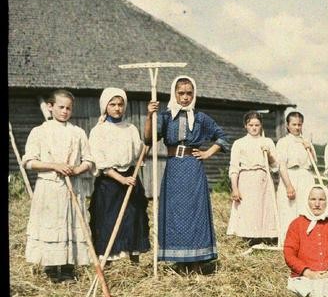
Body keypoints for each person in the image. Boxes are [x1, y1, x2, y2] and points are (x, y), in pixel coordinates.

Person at [144, 76, 229, 272]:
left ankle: (198, 260)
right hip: (174, 168)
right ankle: (180, 260)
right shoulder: (165, 116)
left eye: (189, 93)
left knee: (195, 212)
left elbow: (222, 137)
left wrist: (208, 152)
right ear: (174, 94)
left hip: (193, 168)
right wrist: (150, 116)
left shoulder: (200, 117)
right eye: (181, 93)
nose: (185, 97)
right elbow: (149, 139)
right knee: (176, 213)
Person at [22, 89, 95, 283]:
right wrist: (54, 165)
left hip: (72, 186)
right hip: (49, 188)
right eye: (61, 107)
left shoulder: (77, 132)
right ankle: (52, 268)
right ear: (50, 107)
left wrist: (78, 169)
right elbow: (29, 162)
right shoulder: (39, 132)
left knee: (71, 223)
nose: (64, 111)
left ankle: (69, 268)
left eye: (68, 108)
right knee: (52, 225)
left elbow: (89, 159)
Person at [88, 88, 150, 265]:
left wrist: (145, 146)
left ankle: (134, 261)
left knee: (133, 218)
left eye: (120, 104)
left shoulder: (130, 129)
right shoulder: (98, 131)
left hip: (130, 179)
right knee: (108, 220)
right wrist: (120, 178)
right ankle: (107, 261)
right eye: (113, 104)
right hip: (109, 182)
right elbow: (100, 161)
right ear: (105, 106)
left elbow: (139, 154)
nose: (117, 108)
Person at [226, 111, 279, 244]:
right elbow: (234, 167)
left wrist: (269, 155)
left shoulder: (267, 142)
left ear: (261, 126)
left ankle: (265, 238)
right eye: (251, 125)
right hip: (246, 179)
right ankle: (248, 239)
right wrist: (235, 188)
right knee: (248, 209)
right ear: (246, 126)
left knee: (264, 208)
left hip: (263, 178)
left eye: (257, 125)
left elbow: (275, 166)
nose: (254, 128)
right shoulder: (239, 143)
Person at [276, 111, 317, 243]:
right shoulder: (283, 142)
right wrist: (288, 186)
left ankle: (305, 241)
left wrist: (309, 148)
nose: (297, 127)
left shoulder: (306, 141)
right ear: (288, 126)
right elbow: (282, 166)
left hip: (305, 176)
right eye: (294, 124)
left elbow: (314, 162)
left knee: (304, 208)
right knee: (288, 209)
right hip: (290, 176)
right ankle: (287, 242)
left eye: (299, 124)